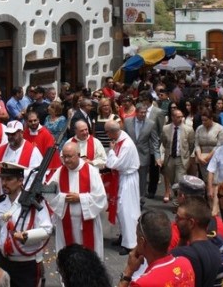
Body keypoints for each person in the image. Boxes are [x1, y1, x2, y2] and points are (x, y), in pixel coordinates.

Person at [0, 162, 52, 287]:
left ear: (20, 181)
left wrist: (26, 236)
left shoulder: (35, 202)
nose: (4, 183)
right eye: (2, 179)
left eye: (9, 179)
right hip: (3, 262)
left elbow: (47, 229)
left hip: (26, 265)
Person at [47, 142, 107, 258]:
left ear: (78, 155)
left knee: (88, 257)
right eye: (64, 157)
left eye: (70, 156)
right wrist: (63, 197)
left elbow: (100, 197)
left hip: (87, 223)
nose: (66, 160)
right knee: (68, 257)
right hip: (66, 223)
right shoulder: (60, 172)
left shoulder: (91, 171)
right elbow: (49, 194)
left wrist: (80, 198)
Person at [118, 210, 196, 287]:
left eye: (137, 237)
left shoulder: (143, 283)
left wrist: (129, 271)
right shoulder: (186, 264)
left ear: (142, 242)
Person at [105, 119, 141, 256]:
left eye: (107, 132)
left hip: (128, 179)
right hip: (122, 178)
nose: (107, 135)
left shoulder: (126, 144)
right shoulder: (119, 140)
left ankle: (130, 244)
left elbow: (115, 164)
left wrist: (111, 151)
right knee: (120, 210)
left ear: (111, 132)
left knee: (127, 211)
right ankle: (123, 236)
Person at [171, 198, 222, 287]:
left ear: (191, 223)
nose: (176, 221)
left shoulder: (182, 254)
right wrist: (183, 238)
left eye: (178, 218)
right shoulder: (216, 250)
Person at [0, 121, 42, 199]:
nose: (10, 137)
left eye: (13, 134)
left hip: (21, 198)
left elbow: (36, 174)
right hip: (3, 196)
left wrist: (14, 174)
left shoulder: (32, 151)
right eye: (8, 134)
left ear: (21, 133)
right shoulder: (0, 149)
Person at [124, 104, 160, 202]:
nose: (143, 114)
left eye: (145, 112)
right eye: (141, 112)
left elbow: (155, 141)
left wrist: (157, 156)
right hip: (129, 154)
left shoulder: (151, 124)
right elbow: (123, 137)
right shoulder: (127, 122)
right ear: (136, 112)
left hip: (143, 154)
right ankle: (129, 198)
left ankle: (141, 199)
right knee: (129, 177)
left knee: (142, 179)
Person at [161, 109, 196, 203]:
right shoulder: (166, 128)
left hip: (181, 159)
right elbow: (164, 142)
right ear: (172, 117)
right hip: (170, 158)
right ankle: (178, 197)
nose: (180, 119)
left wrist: (186, 156)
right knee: (173, 181)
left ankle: (179, 203)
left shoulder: (188, 129)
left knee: (180, 181)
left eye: (181, 116)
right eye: (178, 117)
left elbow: (191, 145)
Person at [192, 109, 223, 181]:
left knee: (215, 180)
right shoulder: (199, 128)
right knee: (205, 180)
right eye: (202, 120)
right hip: (202, 158)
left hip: (215, 157)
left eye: (205, 120)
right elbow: (197, 144)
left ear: (211, 119)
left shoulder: (220, 128)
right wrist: (199, 157)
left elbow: (219, 145)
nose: (203, 122)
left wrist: (208, 157)